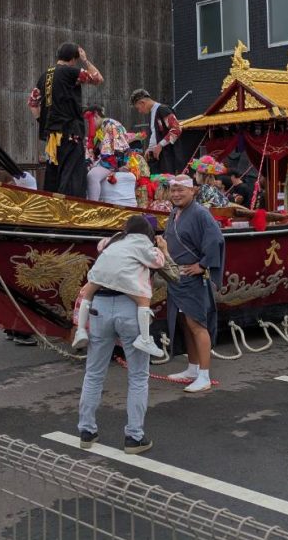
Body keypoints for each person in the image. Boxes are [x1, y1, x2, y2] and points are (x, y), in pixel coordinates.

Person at [75, 271, 155, 457]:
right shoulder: (143, 247)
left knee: (93, 374)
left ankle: (86, 431)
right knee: (138, 376)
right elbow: (170, 272)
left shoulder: (106, 247)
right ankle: (134, 436)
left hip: (100, 304)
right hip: (131, 305)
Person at [162, 175, 224, 394]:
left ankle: (204, 375)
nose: (176, 194)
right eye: (173, 191)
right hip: (176, 276)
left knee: (197, 324)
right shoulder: (174, 213)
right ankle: (192, 368)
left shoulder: (200, 213)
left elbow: (215, 239)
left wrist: (203, 265)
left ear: (193, 191)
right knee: (185, 324)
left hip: (191, 277)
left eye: (181, 190)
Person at [72, 215, 167, 358]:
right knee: (144, 300)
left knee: (87, 293)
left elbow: (100, 245)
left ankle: (80, 330)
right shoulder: (143, 242)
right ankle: (145, 339)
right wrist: (161, 251)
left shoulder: (116, 238)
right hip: (123, 284)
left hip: (100, 276)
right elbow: (157, 262)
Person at [29, 43, 103, 197]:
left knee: (54, 173)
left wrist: (41, 121)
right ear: (74, 59)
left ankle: (52, 210)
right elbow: (98, 79)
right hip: (69, 132)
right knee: (72, 174)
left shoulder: (44, 76)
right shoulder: (70, 72)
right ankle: (70, 211)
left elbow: (33, 103)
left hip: (51, 136)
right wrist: (86, 60)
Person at [131, 88, 184, 176]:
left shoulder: (163, 109)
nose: (139, 111)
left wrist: (160, 145)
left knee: (167, 184)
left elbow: (177, 129)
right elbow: (154, 133)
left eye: (138, 108)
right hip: (160, 157)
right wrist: (150, 148)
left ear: (142, 103)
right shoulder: (153, 112)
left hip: (168, 157)